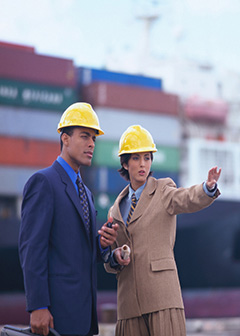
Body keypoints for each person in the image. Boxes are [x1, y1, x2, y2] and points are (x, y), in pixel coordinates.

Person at [105, 125, 221, 336]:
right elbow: (110, 262)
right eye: (136, 158)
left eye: (147, 158)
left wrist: (207, 188)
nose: (143, 164)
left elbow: (186, 198)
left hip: (162, 298)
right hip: (129, 305)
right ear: (124, 162)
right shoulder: (115, 209)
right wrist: (115, 257)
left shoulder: (163, 191)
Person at [19, 102, 118, 336]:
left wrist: (101, 244)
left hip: (83, 316)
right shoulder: (43, 182)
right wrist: (38, 306)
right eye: (85, 136)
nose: (91, 144)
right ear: (64, 138)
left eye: (93, 138)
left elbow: (76, 251)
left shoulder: (87, 193)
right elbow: (31, 248)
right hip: (55, 314)